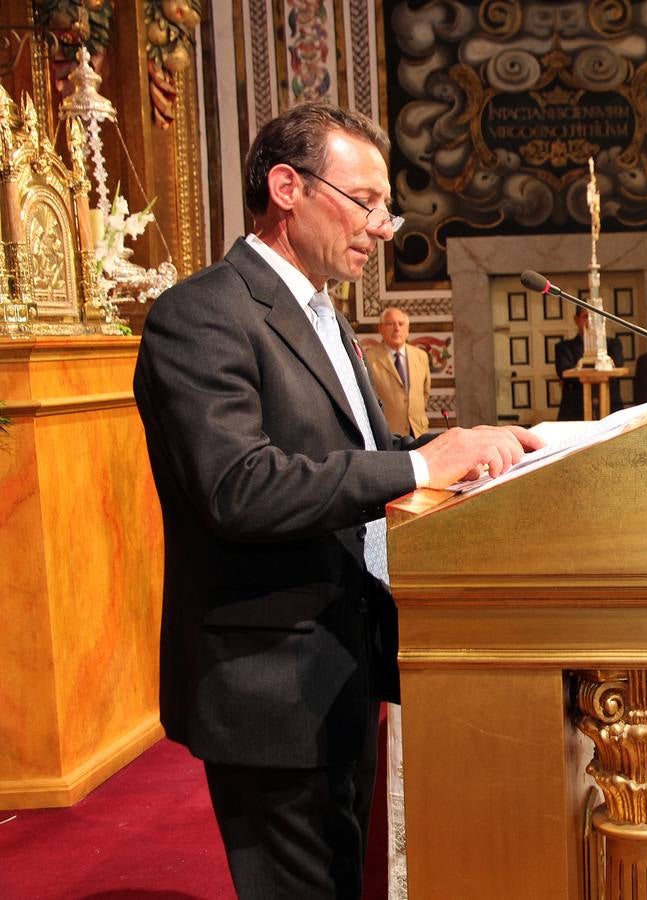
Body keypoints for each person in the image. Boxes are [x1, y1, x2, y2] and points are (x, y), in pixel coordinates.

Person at [132, 103, 541, 899]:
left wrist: (469, 455)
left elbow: (356, 460)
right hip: (268, 678)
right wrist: (416, 465)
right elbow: (236, 487)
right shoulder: (201, 315)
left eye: (384, 206)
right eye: (365, 201)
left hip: (341, 662)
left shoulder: (325, 317)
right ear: (287, 186)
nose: (383, 226)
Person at [365, 306, 432, 437]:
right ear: (380, 329)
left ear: (407, 329)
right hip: (387, 433)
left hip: (418, 431)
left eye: (401, 324)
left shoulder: (421, 356)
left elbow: (425, 393)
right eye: (390, 324)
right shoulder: (368, 358)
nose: (397, 329)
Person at [555, 307, 626, 421]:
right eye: (586, 316)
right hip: (575, 409)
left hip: (610, 405)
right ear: (576, 319)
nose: (591, 322)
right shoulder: (564, 347)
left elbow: (616, 366)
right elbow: (563, 371)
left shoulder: (613, 344)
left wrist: (581, 370)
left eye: (595, 317)